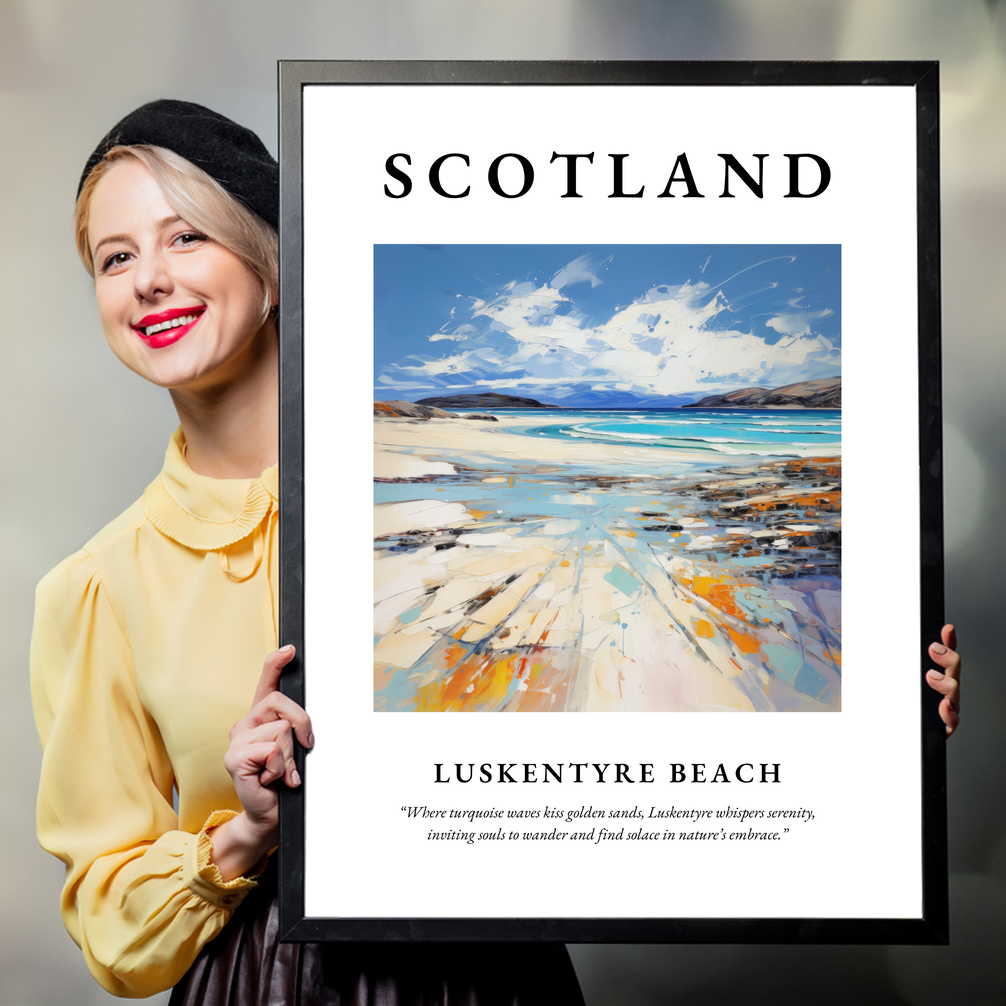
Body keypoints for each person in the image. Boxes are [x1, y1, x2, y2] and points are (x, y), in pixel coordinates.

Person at [30, 100, 586, 1004]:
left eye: (186, 238)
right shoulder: (97, 587)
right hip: (261, 982)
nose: (148, 281)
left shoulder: (455, 491)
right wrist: (245, 832)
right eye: (116, 257)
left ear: (273, 263)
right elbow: (110, 923)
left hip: (492, 973)